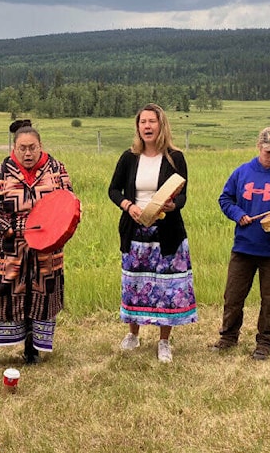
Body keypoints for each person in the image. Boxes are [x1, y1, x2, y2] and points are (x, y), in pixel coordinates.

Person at [0, 119, 73, 371]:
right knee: (0, 295)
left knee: (40, 297)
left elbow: (67, 202)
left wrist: (58, 231)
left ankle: (32, 349)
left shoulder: (56, 170)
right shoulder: (0, 172)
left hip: (46, 249)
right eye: (22, 148)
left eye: (32, 148)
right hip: (10, 247)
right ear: (14, 148)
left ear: (40, 146)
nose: (28, 153)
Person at [108, 103, 197, 363]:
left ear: (161, 125)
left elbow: (183, 197)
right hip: (135, 232)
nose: (147, 126)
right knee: (135, 284)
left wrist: (172, 205)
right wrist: (128, 206)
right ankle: (133, 334)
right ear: (138, 127)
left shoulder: (175, 157)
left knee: (167, 287)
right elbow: (114, 190)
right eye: (143, 122)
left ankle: (164, 341)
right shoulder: (129, 157)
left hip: (167, 232)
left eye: (152, 121)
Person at [214, 126, 270, 360]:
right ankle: (228, 337)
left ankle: (266, 342)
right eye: (268, 152)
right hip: (243, 246)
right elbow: (225, 198)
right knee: (233, 296)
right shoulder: (242, 172)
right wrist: (237, 214)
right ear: (259, 147)